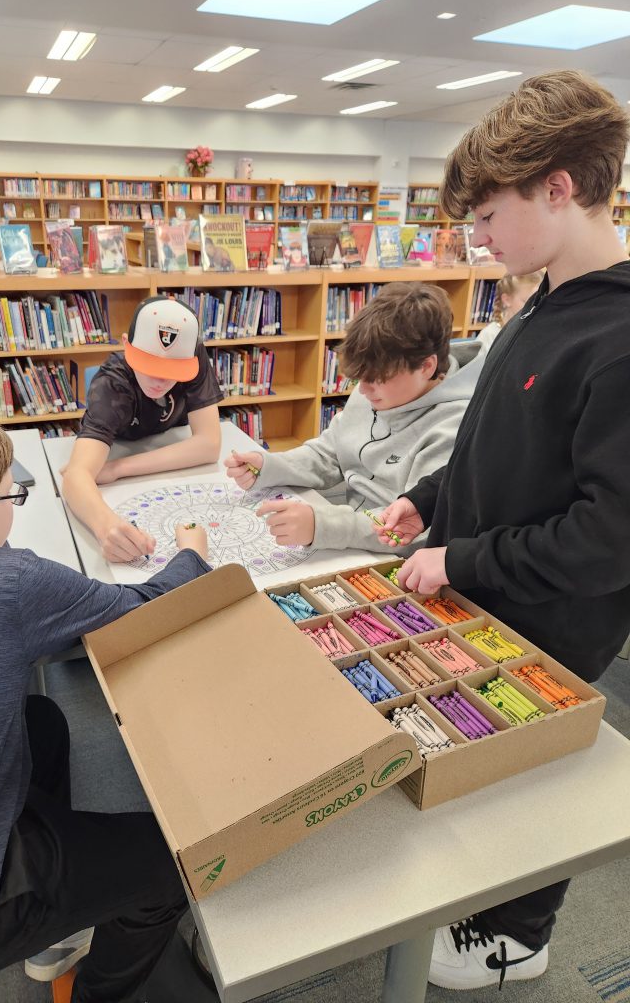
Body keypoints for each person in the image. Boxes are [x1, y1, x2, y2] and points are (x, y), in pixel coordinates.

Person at [374, 70, 630, 991]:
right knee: (482, 760)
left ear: (557, 187)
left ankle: (519, 935)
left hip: (555, 618)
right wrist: (436, 498)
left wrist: (464, 555)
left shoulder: (621, 337)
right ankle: (484, 897)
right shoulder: (542, 300)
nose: (473, 238)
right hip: (484, 584)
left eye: (486, 216)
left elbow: (609, 540)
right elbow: (502, 441)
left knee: (535, 774)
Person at [0, 399, 211, 1003]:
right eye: (9, 497)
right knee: (176, 863)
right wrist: (195, 554)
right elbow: (152, 605)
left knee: (41, 719)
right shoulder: (12, 582)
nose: (14, 509)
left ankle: (51, 910)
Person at [224, 282, 482, 550]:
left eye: (379, 379)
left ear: (426, 367)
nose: (363, 390)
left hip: (392, 560)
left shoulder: (454, 426)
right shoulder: (375, 390)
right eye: (361, 378)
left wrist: (323, 526)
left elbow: (412, 530)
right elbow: (329, 454)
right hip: (351, 537)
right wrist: (268, 466)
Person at [62, 295, 223, 563]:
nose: (160, 381)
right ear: (127, 346)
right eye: (150, 365)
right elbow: (75, 475)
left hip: (162, 443)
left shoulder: (193, 356)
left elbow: (209, 445)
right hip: (122, 441)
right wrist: (106, 527)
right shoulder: (112, 384)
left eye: (173, 370)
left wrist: (118, 468)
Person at [476, 270, 544, 352]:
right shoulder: (490, 336)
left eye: (539, 302)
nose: (535, 308)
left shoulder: (538, 332)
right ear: (507, 300)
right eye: (528, 302)